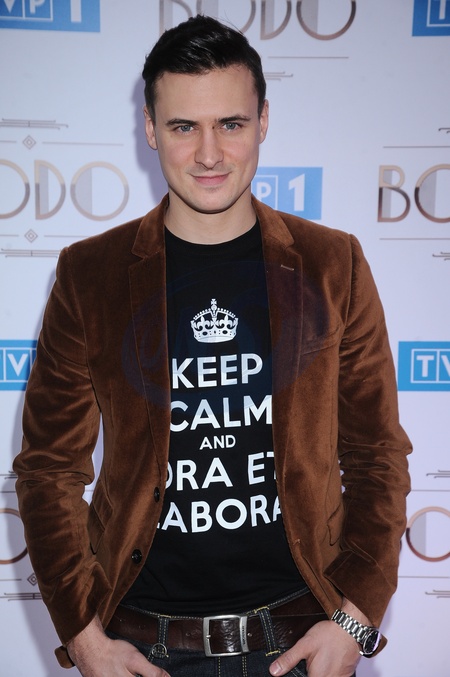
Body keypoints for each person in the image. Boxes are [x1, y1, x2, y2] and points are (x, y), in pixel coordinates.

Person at [14, 14, 411, 677]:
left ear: (263, 121)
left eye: (230, 124)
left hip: (302, 643)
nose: (208, 154)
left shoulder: (331, 264)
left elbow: (377, 455)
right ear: (149, 128)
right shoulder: (91, 274)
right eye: (182, 127)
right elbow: (49, 468)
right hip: (143, 650)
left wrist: (354, 620)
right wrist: (84, 637)